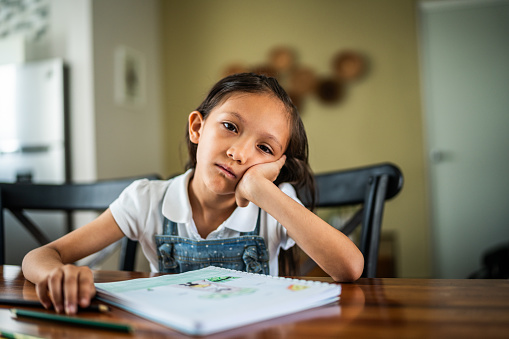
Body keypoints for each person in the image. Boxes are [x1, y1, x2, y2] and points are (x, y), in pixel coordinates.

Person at [22, 73, 363, 315]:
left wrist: (263, 191)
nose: (240, 153)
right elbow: (41, 256)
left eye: (263, 147)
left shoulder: (276, 203)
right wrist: (56, 274)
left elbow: (349, 267)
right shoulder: (146, 200)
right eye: (230, 127)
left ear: (276, 164)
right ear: (198, 127)